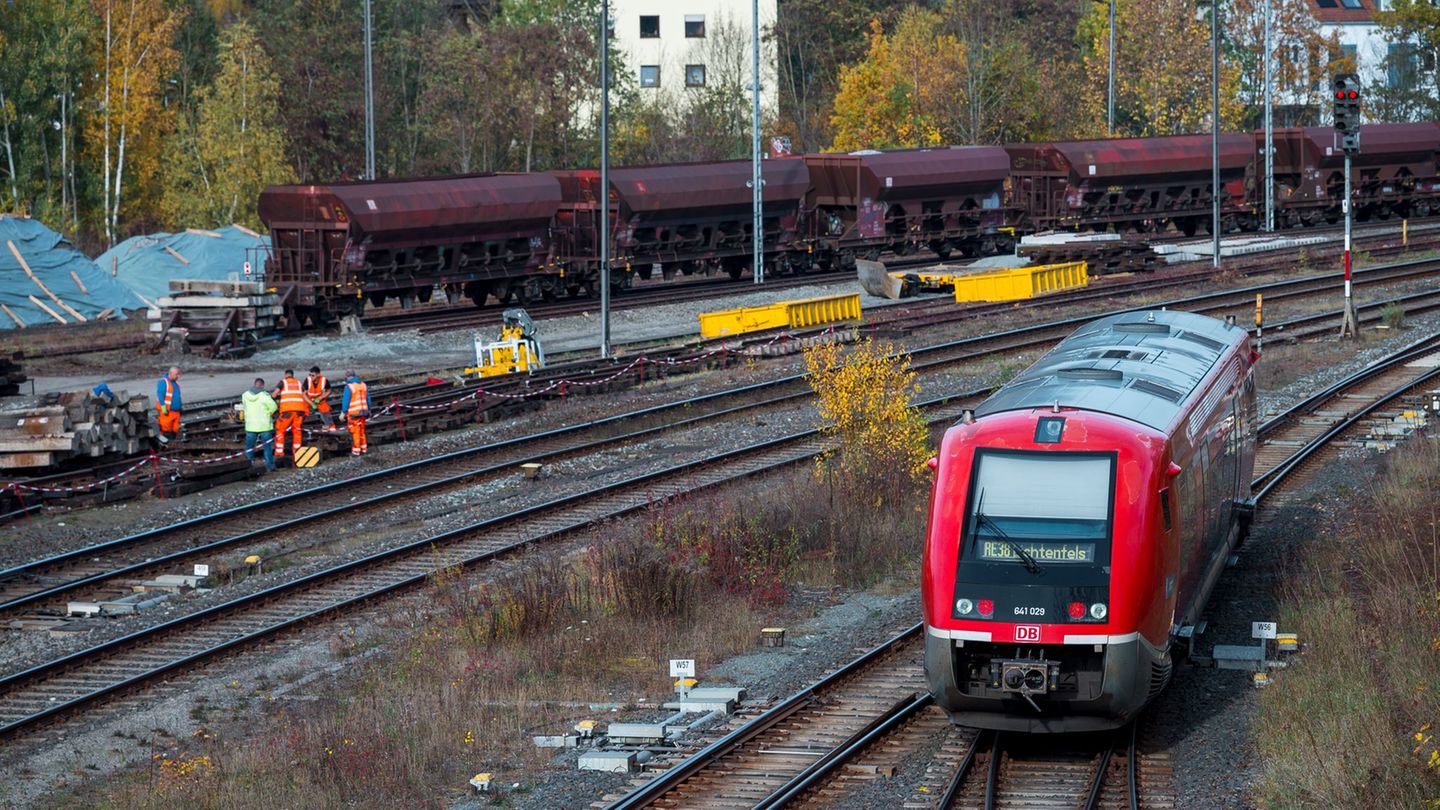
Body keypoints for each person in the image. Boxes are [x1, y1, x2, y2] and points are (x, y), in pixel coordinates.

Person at [241, 377, 278, 472]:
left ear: (254, 384)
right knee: (267, 447)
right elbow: (274, 407)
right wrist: (268, 412)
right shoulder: (264, 396)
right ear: (262, 386)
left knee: (249, 448)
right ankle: (270, 466)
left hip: (250, 425)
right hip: (264, 425)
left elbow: (244, 407)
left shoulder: (245, 395)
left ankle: (247, 467)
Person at [272, 369, 308, 459]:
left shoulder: (283, 382)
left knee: (280, 430)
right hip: (299, 411)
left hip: (287, 411)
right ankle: (297, 453)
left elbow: (274, 394)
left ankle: (279, 453)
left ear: (285, 375)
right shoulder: (299, 383)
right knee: (297, 431)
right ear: (292, 375)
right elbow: (304, 395)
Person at [339, 369, 371, 456]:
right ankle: (364, 449)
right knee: (362, 430)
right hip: (364, 412)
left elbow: (346, 401)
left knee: (355, 432)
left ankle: (356, 451)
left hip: (354, 413)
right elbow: (368, 399)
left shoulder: (349, 387)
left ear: (347, 377)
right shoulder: (363, 385)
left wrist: (343, 412)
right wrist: (369, 409)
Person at [155, 366, 182, 445]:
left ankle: (172, 444)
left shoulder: (176, 383)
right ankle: (167, 445)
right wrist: (163, 407)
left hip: (176, 412)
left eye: (178, 374)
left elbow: (178, 397)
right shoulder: (163, 382)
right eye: (176, 374)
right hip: (167, 412)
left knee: (175, 430)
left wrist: (180, 407)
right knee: (166, 430)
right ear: (171, 373)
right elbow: (160, 395)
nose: (178, 376)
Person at [305, 366, 335, 431]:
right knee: (300, 409)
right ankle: (298, 425)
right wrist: (311, 403)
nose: (311, 377)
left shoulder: (324, 380)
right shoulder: (308, 380)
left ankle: (330, 426)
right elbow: (303, 394)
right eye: (310, 375)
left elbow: (329, 391)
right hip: (308, 399)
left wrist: (321, 398)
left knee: (325, 409)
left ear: (318, 374)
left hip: (319, 400)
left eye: (313, 375)